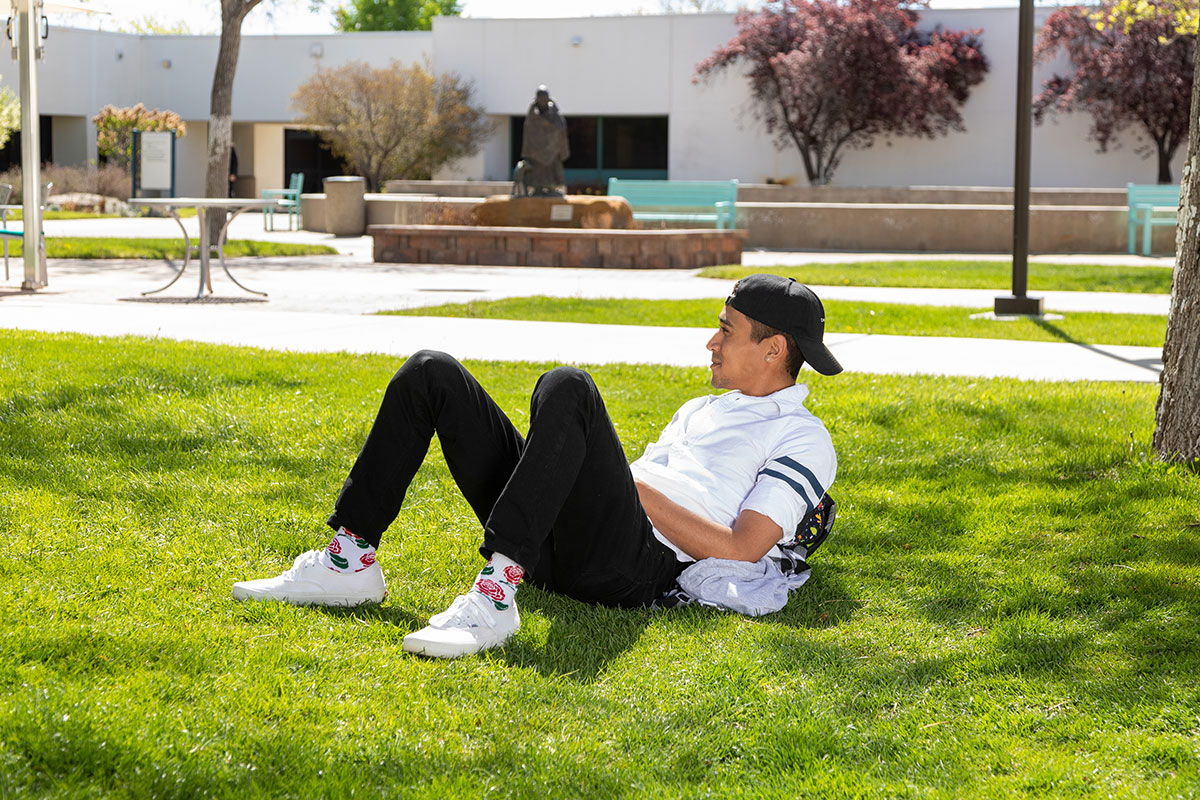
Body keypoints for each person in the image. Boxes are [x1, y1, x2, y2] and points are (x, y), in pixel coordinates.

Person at [232, 274, 842, 658]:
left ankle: (496, 594)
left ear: (773, 348)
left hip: (632, 565)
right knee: (430, 371)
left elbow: (742, 550)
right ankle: (349, 560)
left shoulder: (802, 437)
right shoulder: (701, 407)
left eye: (725, 330)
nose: (711, 342)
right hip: (569, 539)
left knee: (569, 386)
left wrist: (629, 488)